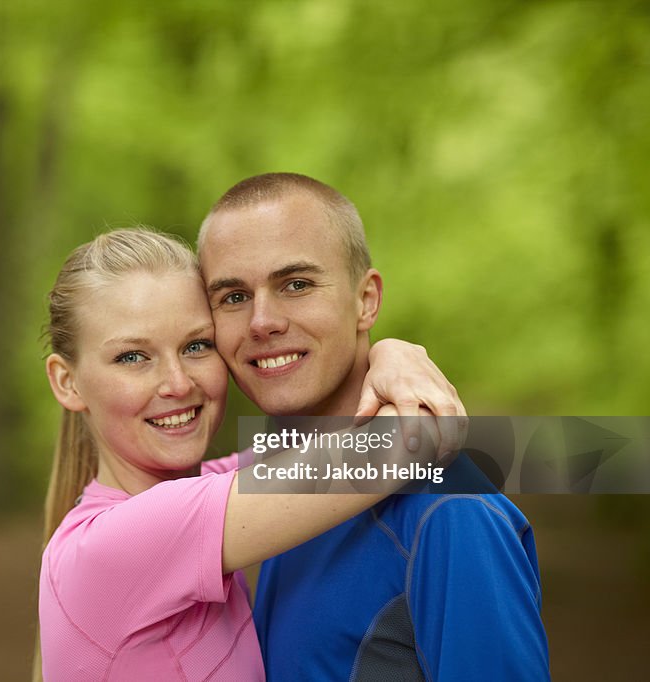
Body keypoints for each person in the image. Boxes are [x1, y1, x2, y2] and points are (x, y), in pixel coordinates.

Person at [36, 228, 457, 681]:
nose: (178, 384)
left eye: (196, 346)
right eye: (133, 357)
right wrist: (399, 356)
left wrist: (390, 354)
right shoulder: (114, 544)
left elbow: (338, 438)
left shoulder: (210, 488)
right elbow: (420, 439)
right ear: (67, 382)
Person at [197, 172, 550, 681]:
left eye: (296, 284)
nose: (262, 321)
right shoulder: (273, 486)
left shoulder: (451, 514)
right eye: (233, 296)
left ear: (366, 301)